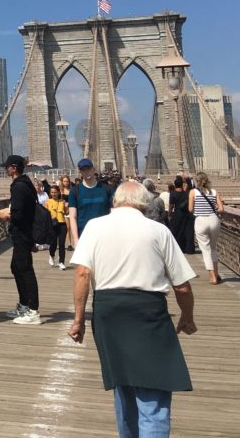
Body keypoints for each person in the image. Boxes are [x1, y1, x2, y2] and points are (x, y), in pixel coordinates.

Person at [69, 181, 197, 438]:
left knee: (123, 386)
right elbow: (182, 286)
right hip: (148, 313)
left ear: (114, 201)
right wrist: (187, 317)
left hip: (108, 312)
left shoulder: (94, 227)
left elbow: (82, 273)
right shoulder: (158, 230)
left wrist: (78, 320)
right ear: (145, 203)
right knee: (154, 392)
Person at [0, 154, 41, 325]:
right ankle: (24, 305)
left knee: (25, 269)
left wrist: (5, 215)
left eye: (7, 167)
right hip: (24, 232)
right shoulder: (26, 183)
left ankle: (33, 310)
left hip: (22, 233)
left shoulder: (18, 186)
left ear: (13, 168)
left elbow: (19, 213)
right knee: (16, 267)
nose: (5, 169)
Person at [189, 171, 225, 285]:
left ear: (196, 181)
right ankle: (217, 273)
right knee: (213, 248)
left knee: (206, 250)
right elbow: (221, 209)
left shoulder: (193, 192)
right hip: (214, 220)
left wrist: (198, 209)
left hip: (200, 221)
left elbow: (190, 209)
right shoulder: (214, 192)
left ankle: (212, 277)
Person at [68, 158, 112, 245]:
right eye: (83, 170)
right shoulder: (75, 191)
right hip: (84, 237)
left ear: (93, 169)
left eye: (88, 169)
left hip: (105, 237)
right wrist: (76, 241)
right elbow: (72, 217)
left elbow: (114, 213)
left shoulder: (107, 189)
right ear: (80, 172)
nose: (86, 172)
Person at [168, 176, 195, 254]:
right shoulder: (186, 193)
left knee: (176, 231)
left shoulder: (172, 194)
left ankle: (178, 247)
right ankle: (186, 247)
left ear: (175, 185)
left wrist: (169, 214)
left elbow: (171, 205)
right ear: (181, 185)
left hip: (177, 214)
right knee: (185, 231)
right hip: (186, 214)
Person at [45, 184, 68, 270]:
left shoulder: (63, 201)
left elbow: (66, 213)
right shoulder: (48, 201)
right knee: (53, 243)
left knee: (61, 244)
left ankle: (61, 262)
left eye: (55, 192)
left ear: (58, 192)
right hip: (52, 224)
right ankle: (51, 255)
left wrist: (66, 208)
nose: (53, 194)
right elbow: (45, 214)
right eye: (52, 192)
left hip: (62, 224)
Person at [59, 175, 75, 250]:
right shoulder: (60, 191)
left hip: (70, 209)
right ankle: (65, 243)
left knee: (71, 228)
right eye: (64, 181)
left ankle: (70, 243)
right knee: (67, 227)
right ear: (62, 182)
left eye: (67, 181)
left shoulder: (72, 190)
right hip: (63, 210)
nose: (66, 183)